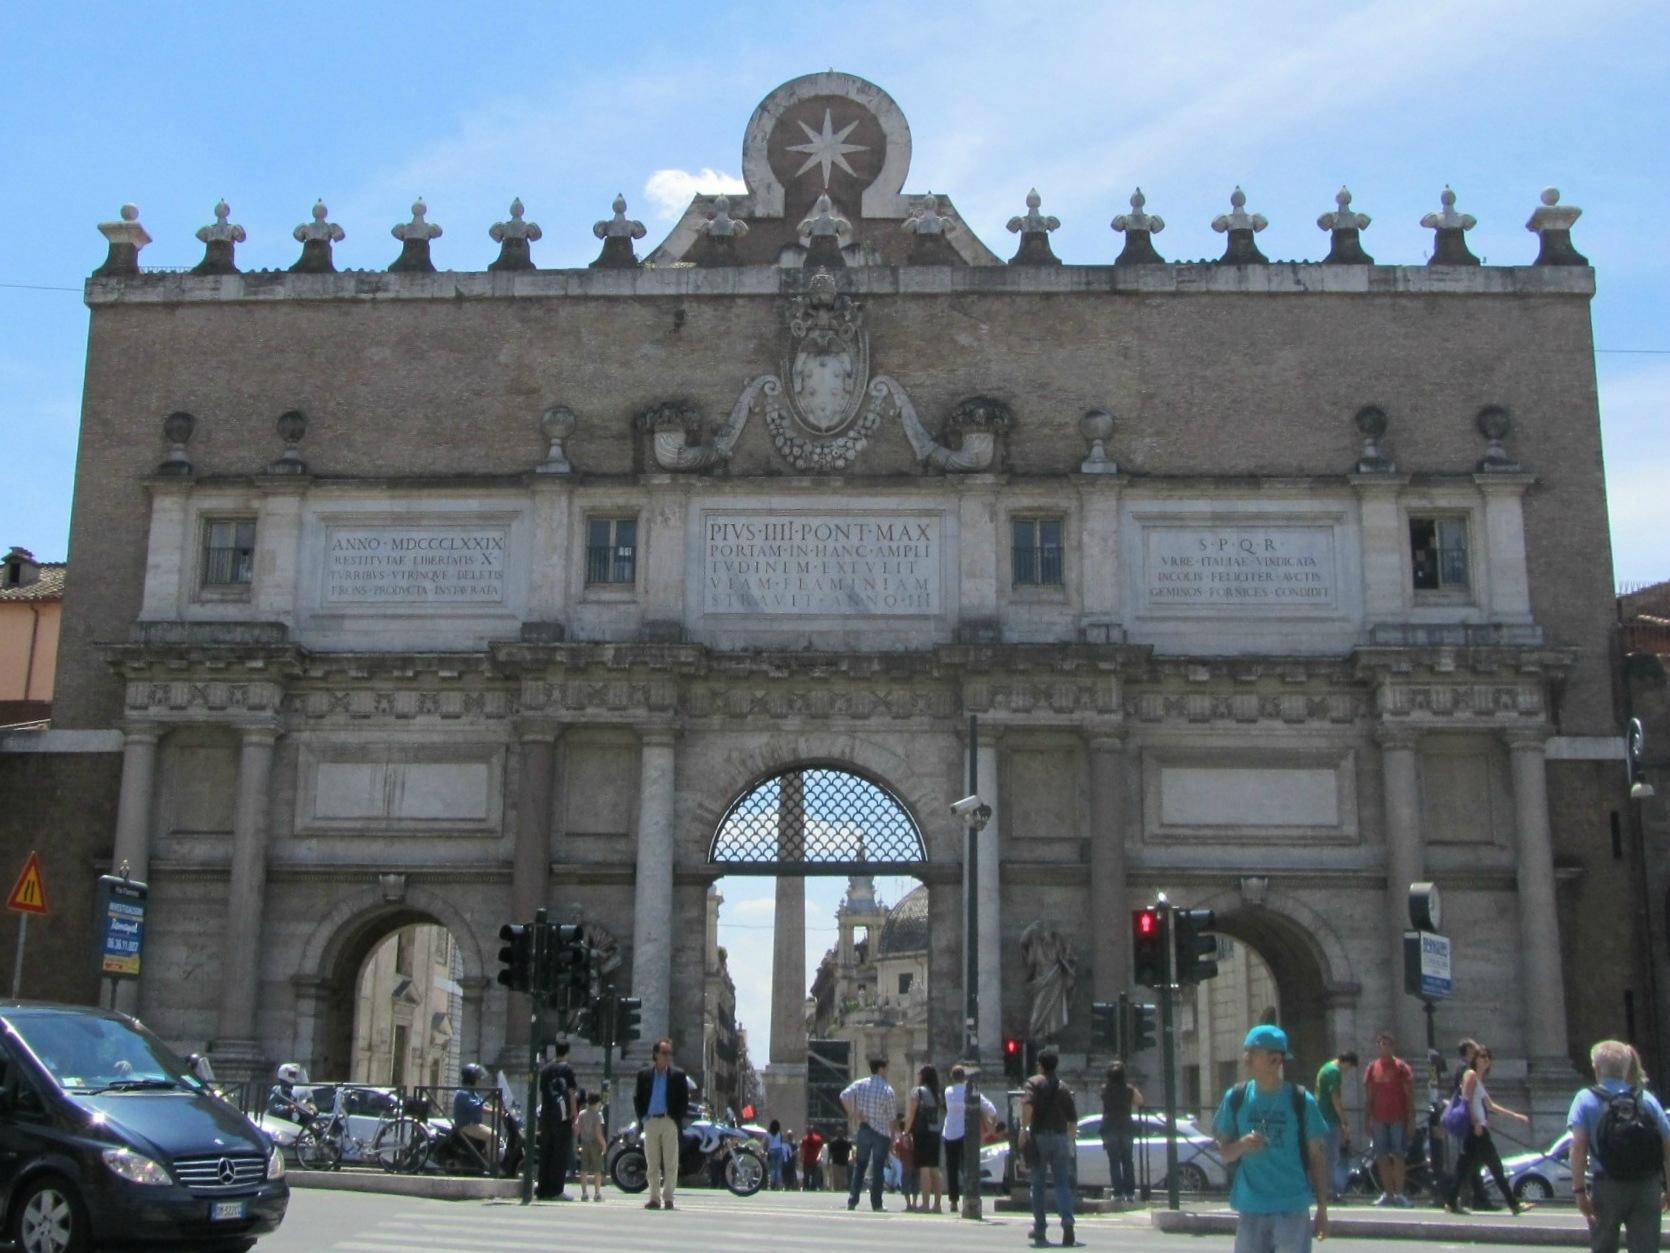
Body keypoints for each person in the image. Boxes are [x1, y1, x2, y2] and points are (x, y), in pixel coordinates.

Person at [1213, 1024, 1331, 1253]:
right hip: (1250, 1209)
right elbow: (1225, 1153)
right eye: (1246, 1051)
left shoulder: (1301, 1100)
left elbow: (1317, 1157)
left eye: (1253, 1052)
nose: (1246, 1058)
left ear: (1275, 1060)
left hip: (1292, 1207)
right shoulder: (1236, 1097)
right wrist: (1242, 1145)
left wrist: (1323, 1210)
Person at [1569, 1038, 1670, 1253]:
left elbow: (1578, 1147)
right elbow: (1667, 1143)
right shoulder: (1646, 1099)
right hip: (1646, 1185)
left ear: (1596, 1068)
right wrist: (1668, 1187)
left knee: (1604, 1247)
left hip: (1607, 1185)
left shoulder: (1585, 1099)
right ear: (1626, 1068)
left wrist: (1579, 1191)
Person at [1442, 1044, 1529, 1215]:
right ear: (1475, 1059)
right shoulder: (1471, 1075)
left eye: (1488, 1057)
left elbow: (1490, 1105)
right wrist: (1475, 1123)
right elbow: (1466, 1100)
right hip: (1476, 1129)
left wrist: (1514, 1115)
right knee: (1494, 1165)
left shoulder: (1479, 1079)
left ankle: (1451, 1201)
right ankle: (1514, 1204)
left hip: (1477, 1128)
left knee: (1464, 1167)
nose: (1486, 1059)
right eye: (1482, 1056)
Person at [1022, 1046, 1079, 1247]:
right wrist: (1069, 1139)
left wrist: (1024, 1129)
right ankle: (1068, 1222)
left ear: (1040, 1065)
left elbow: (1027, 1106)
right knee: (1062, 1183)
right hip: (1060, 1137)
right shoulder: (1063, 1087)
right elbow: (1073, 1120)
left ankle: (1040, 1227)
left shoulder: (1034, 1083)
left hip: (1039, 1137)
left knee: (1037, 1184)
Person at [633, 1037, 689, 1211]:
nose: (667, 1056)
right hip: (651, 1121)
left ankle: (669, 1198)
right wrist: (643, 1118)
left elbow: (684, 1100)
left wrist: (675, 1117)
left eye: (669, 1053)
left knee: (671, 1162)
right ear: (655, 1054)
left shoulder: (678, 1076)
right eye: (664, 1053)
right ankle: (654, 1198)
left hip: (668, 1120)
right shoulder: (644, 1075)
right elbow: (637, 1098)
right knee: (652, 1162)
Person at [1362, 1032, 1416, 1207]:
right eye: (1381, 1043)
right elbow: (1369, 1095)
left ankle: (1399, 1193)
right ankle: (1388, 1193)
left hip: (1398, 1117)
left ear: (1393, 1046)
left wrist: (1411, 1119)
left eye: (1388, 1043)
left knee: (1399, 1155)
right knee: (1382, 1156)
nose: (1384, 1046)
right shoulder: (1372, 1068)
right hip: (1378, 1117)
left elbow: (1410, 1095)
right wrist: (1367, 1118)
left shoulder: (1402, 1068)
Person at [840, 1056, 898, 1212]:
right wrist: (893, 1138)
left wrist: (853, 1114)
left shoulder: (861, 1084)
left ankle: (853, 1200)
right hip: (881, 1131)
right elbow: (892, 1118)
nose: (887, 1071)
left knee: (860, 1166)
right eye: (886, 1068)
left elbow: (844, 1095)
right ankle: (877, 1203)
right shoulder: (888, 1090)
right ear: (880, 1069)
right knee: (878, 1168)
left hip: (864, 1128)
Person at [944, 1064, 999, 1211]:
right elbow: (991, 1109)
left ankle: (953, 1200)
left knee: (952, 1167)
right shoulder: (970, 1090)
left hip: (949, 1132)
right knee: (968, 1166)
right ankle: (969, 1194)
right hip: (965, 1133)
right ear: (964, 1077)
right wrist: (991, 1123)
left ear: (952, 1077)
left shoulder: (948, 1091)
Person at [536, 1040, 578, 1201]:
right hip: (562, 1117)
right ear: (567, 1052)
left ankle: (542, 1189)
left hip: (546, 1115)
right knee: (560, 1154)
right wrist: (574, 1115)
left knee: (546, 1152)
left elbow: (542, 1093)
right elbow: (571, 1093)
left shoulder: (545, 1069)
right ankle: (556, 1190)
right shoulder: (567, 1069)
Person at [1313, 1051, 1357, 1203]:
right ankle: (1328, 1191)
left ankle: (1321, 1190)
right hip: (1329, 1119)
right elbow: (1335, 1098)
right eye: (1349, 1068)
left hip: (1319, 1116)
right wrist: (1344, 1121)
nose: (1347, 1072)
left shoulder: (1324, 1068)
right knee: (1331, 1157)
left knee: (1323, 1156)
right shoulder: (1334, 1072)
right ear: (1347, 1063)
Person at [1101, 1060, 1145, 1204]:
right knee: (1127, 1160)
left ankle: (1117, 1192)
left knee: (1114, 1161)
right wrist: (1131, 1087)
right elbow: (1140, 1101)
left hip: (1110, 1126)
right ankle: (1130, 1192)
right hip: (1126, 1126)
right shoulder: (1129, 1090)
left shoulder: (1105, 1089)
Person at [906, 1063, 945, 1212]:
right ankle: (937, 1204)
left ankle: (925, 1204)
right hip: (935, 1132)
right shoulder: (937, 1093)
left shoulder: (918, 1092)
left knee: (924, 1169)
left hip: (922, 1133)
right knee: (935, 1169)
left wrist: (906, 1131)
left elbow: (911, 1113)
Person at [453, 1063, 495, 1163]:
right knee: (493, 1136)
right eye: (477, 1078)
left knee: (494, 1135)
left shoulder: (472, 1092)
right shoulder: (463, 1093)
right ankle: (492, 1165)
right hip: (467, 1126)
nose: (479, 1081)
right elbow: (478, 1107)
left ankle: (486, 1158)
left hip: (475, 1125)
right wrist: (496, 1111)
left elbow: (485, 1104)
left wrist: (498, 1108)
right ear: (471, 1079)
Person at [575, 1091, 607, 1201]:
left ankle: (584, 1193)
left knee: (584, 1169)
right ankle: (597, 1193)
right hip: (595, 1143)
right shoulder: (598, 1115)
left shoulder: (582, 1114)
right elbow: (598, 1132)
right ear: (598, 1103)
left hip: (584, 1142)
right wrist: (603, 1144)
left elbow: (577, 1129)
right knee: (597, 1169)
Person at [893, 1116, 919, 1209]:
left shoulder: (899, 1140)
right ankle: (915, 1203)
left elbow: (896, 1152)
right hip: (915, 1165)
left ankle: (908, 1204)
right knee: (915, 1184)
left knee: (905, 1185)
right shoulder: (913, 1139)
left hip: (905, 1165)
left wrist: (900, 1158)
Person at [800, 1124, 825, 1191]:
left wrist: (819, 1156)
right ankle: (806, 1187)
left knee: (814, 1175)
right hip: (807, 1160)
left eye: (810, 1130)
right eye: (808, 1130)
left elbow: (820, 1149)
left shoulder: (818, 1139)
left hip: (815, 1160)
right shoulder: (804, 1139)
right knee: (806, 1175)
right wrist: (801, 1158)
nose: (809, 1131)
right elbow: (802, 1149)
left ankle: (813, 1187)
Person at [829, 1128, 853, 1193]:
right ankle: (836, 1188)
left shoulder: (847, 1142)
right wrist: (830, 1160)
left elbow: (850, 1150)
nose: (840, 1133)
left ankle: (842, 1188)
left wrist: (850, 1157)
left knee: (843, 1176)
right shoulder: (833, 1142)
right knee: (836, 1176)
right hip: (835, 1161)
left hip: (844, 1161)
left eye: (841, 1132)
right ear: (836, 1133)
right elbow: (830, 1152)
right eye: (839, 1132)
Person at [767, 1119, 787, 1189]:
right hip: (779, 1150)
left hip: (771, 1151)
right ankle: (778, 1184)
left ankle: (772, 1184)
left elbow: (766, 1143)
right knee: (778, 1169)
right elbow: (781, 1143)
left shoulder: (768, 1134)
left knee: (772, 1169)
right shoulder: (780, 1134)